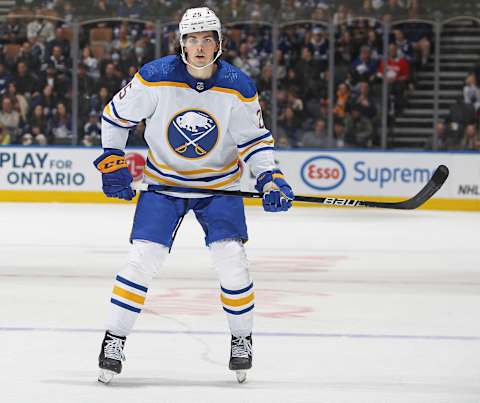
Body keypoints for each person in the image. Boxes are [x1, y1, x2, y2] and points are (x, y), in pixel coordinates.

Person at [94, 7, 294, 385]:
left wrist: (270, 176)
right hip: (163, 186)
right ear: (181, 43)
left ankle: (241, 339)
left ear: (219, 44)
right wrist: (112, 157)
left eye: (207, 39)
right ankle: (113, 339)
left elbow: (254, 139)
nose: (199, 47)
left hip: (219, 188)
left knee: (232, 260)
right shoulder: (154, 77)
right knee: (141, 261)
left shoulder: (238, 85)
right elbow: (115, 116)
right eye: (192, 39)